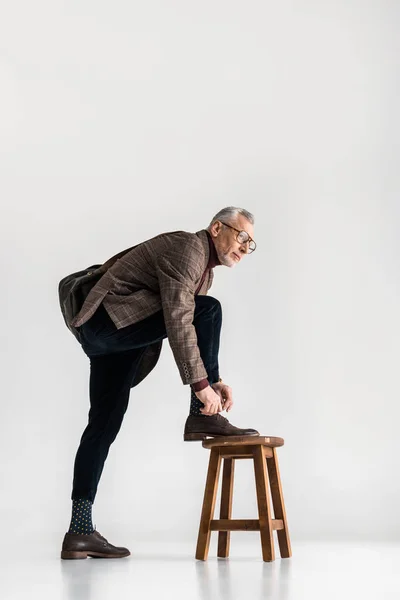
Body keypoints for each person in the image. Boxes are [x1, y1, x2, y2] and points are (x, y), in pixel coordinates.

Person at [60, 206, 259, 560]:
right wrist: (203, 387)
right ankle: (201, 414)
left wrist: (216, 380)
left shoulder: (204, 272)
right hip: (109, 321)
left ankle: (79, 531)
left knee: (102, 425)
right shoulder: (189, 249)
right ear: (216, 228)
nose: (244, 247)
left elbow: (177, 321)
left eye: (251, 244)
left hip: (120, 337)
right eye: (241, 236)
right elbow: (180, 318)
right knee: (207, 310)